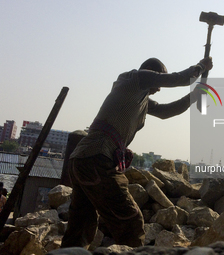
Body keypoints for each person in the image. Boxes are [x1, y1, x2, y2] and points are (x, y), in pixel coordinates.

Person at [61, 56, 213, 249]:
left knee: (81, 225)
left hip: (83, 160)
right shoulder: (134, 78)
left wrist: (195, 95)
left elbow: (167, 111)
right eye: (158, 80)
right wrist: (202, 66)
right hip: (97, 158)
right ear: (150, 71)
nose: (159, 88)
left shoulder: (139, 98)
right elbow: (180, 78)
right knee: (131, 223)